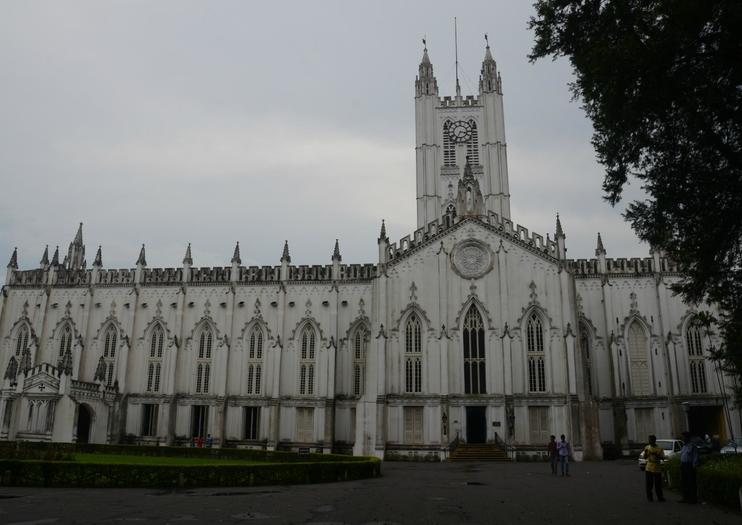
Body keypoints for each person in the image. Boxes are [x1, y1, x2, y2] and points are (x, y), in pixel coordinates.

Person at [642, 435, 665, 502]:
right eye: (649, 440)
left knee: (658, 484)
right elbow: (645, 457)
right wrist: (646, 453)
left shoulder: (659, 448)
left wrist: (656, 455)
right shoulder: (647, 447)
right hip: (649, 468)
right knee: (649, 484)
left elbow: (663, 457)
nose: (649, 441)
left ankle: (660, 497)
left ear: (654, 440)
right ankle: (649, 497)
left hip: (657, 467)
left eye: (651, 440)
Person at [679, 432, 699, 503]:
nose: (682, 438)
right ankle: (685, 498)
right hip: (683, 465)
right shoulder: (684, 446)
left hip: (689, 465)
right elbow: (682, 456)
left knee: (691, 482)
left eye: (683, 437)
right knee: (684, 482)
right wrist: (681, 463)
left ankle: (693, 499)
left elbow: (695, 456)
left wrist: (694, 465)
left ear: (687, 438)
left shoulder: (692, 446)